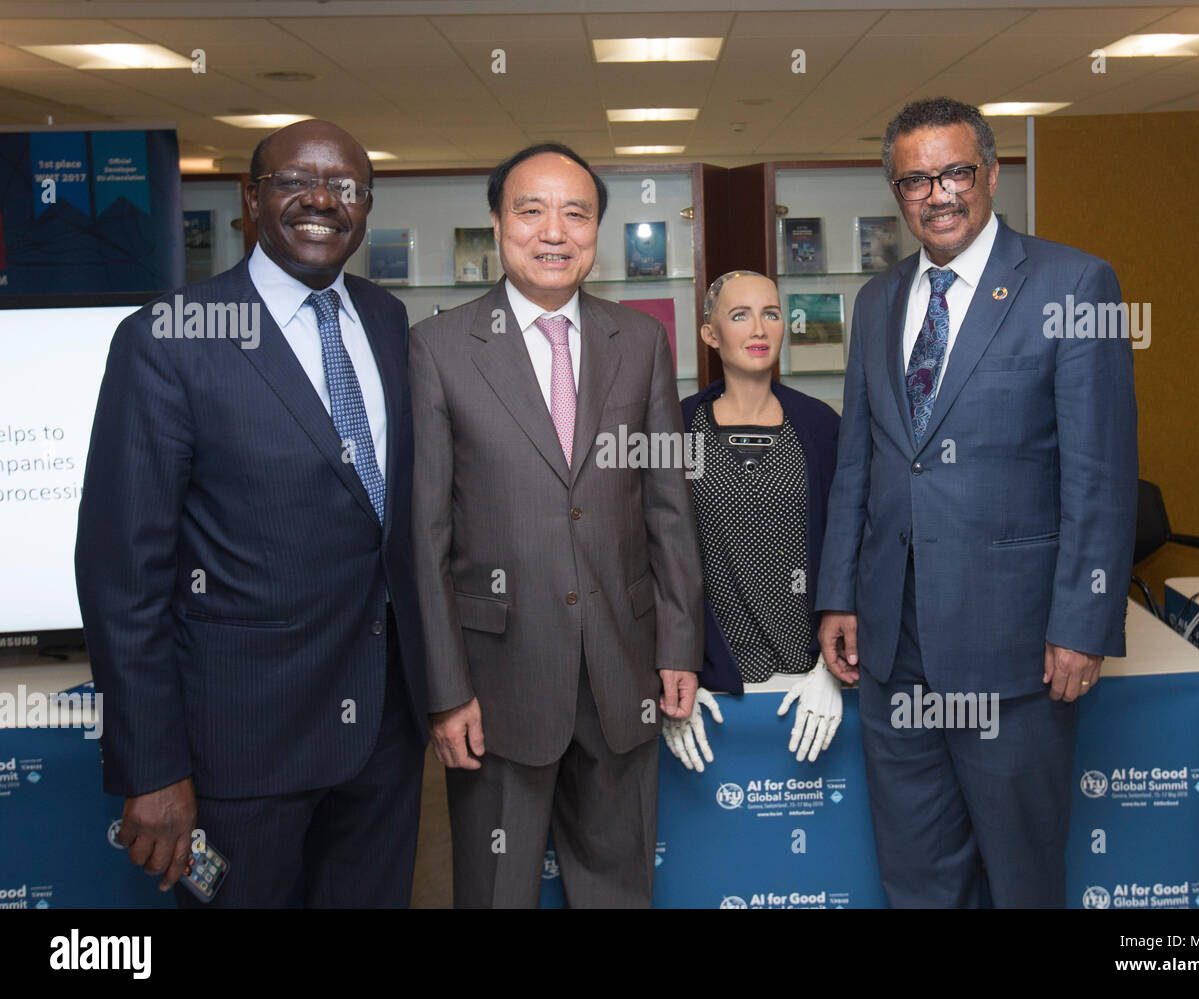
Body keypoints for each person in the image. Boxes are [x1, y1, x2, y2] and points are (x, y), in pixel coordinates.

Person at [75, 119, 430, 907]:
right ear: (251, 196)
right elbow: (120, 574)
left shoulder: (386, 319)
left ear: (365, 207)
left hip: (379, 735)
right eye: (295, 180)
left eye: (344, 186)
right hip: (238, 749)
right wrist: (152, 766)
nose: (320, 200)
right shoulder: (170, 339)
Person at [816, 97, 1138, 908]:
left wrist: (1082, 622)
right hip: (896, 650)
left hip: (1019, 648)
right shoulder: (877, 300)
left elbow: (1099, 474)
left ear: (992, 174)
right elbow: (860, 461)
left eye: (956, 171)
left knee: (1022, 878)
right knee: (918, 876)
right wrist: (839, 596)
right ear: (898, 193)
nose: (939, 194)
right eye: (916, 179)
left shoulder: (1075, 282)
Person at [409, 142, 703, 908]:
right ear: (499, 224)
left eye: (576, 212)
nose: (554, 230)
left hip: (623, 672)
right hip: (495, 683)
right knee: (497, 889)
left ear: (598, 229)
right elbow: (424, 534)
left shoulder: (638, 341)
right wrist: (444, 690)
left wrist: (678, 643)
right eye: (530, 209)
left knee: (617, 889)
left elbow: (668, 504)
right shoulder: (438, 349)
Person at [665, 271, 843, 770]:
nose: (759, 329)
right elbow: (652, 558)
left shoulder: (822, 427)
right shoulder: (677, 429)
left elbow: (851, 545)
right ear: (710, 334)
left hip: (807, 677)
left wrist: (834, 668)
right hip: (714, 681)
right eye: (739, 315)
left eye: (771, 313)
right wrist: (670, 667)